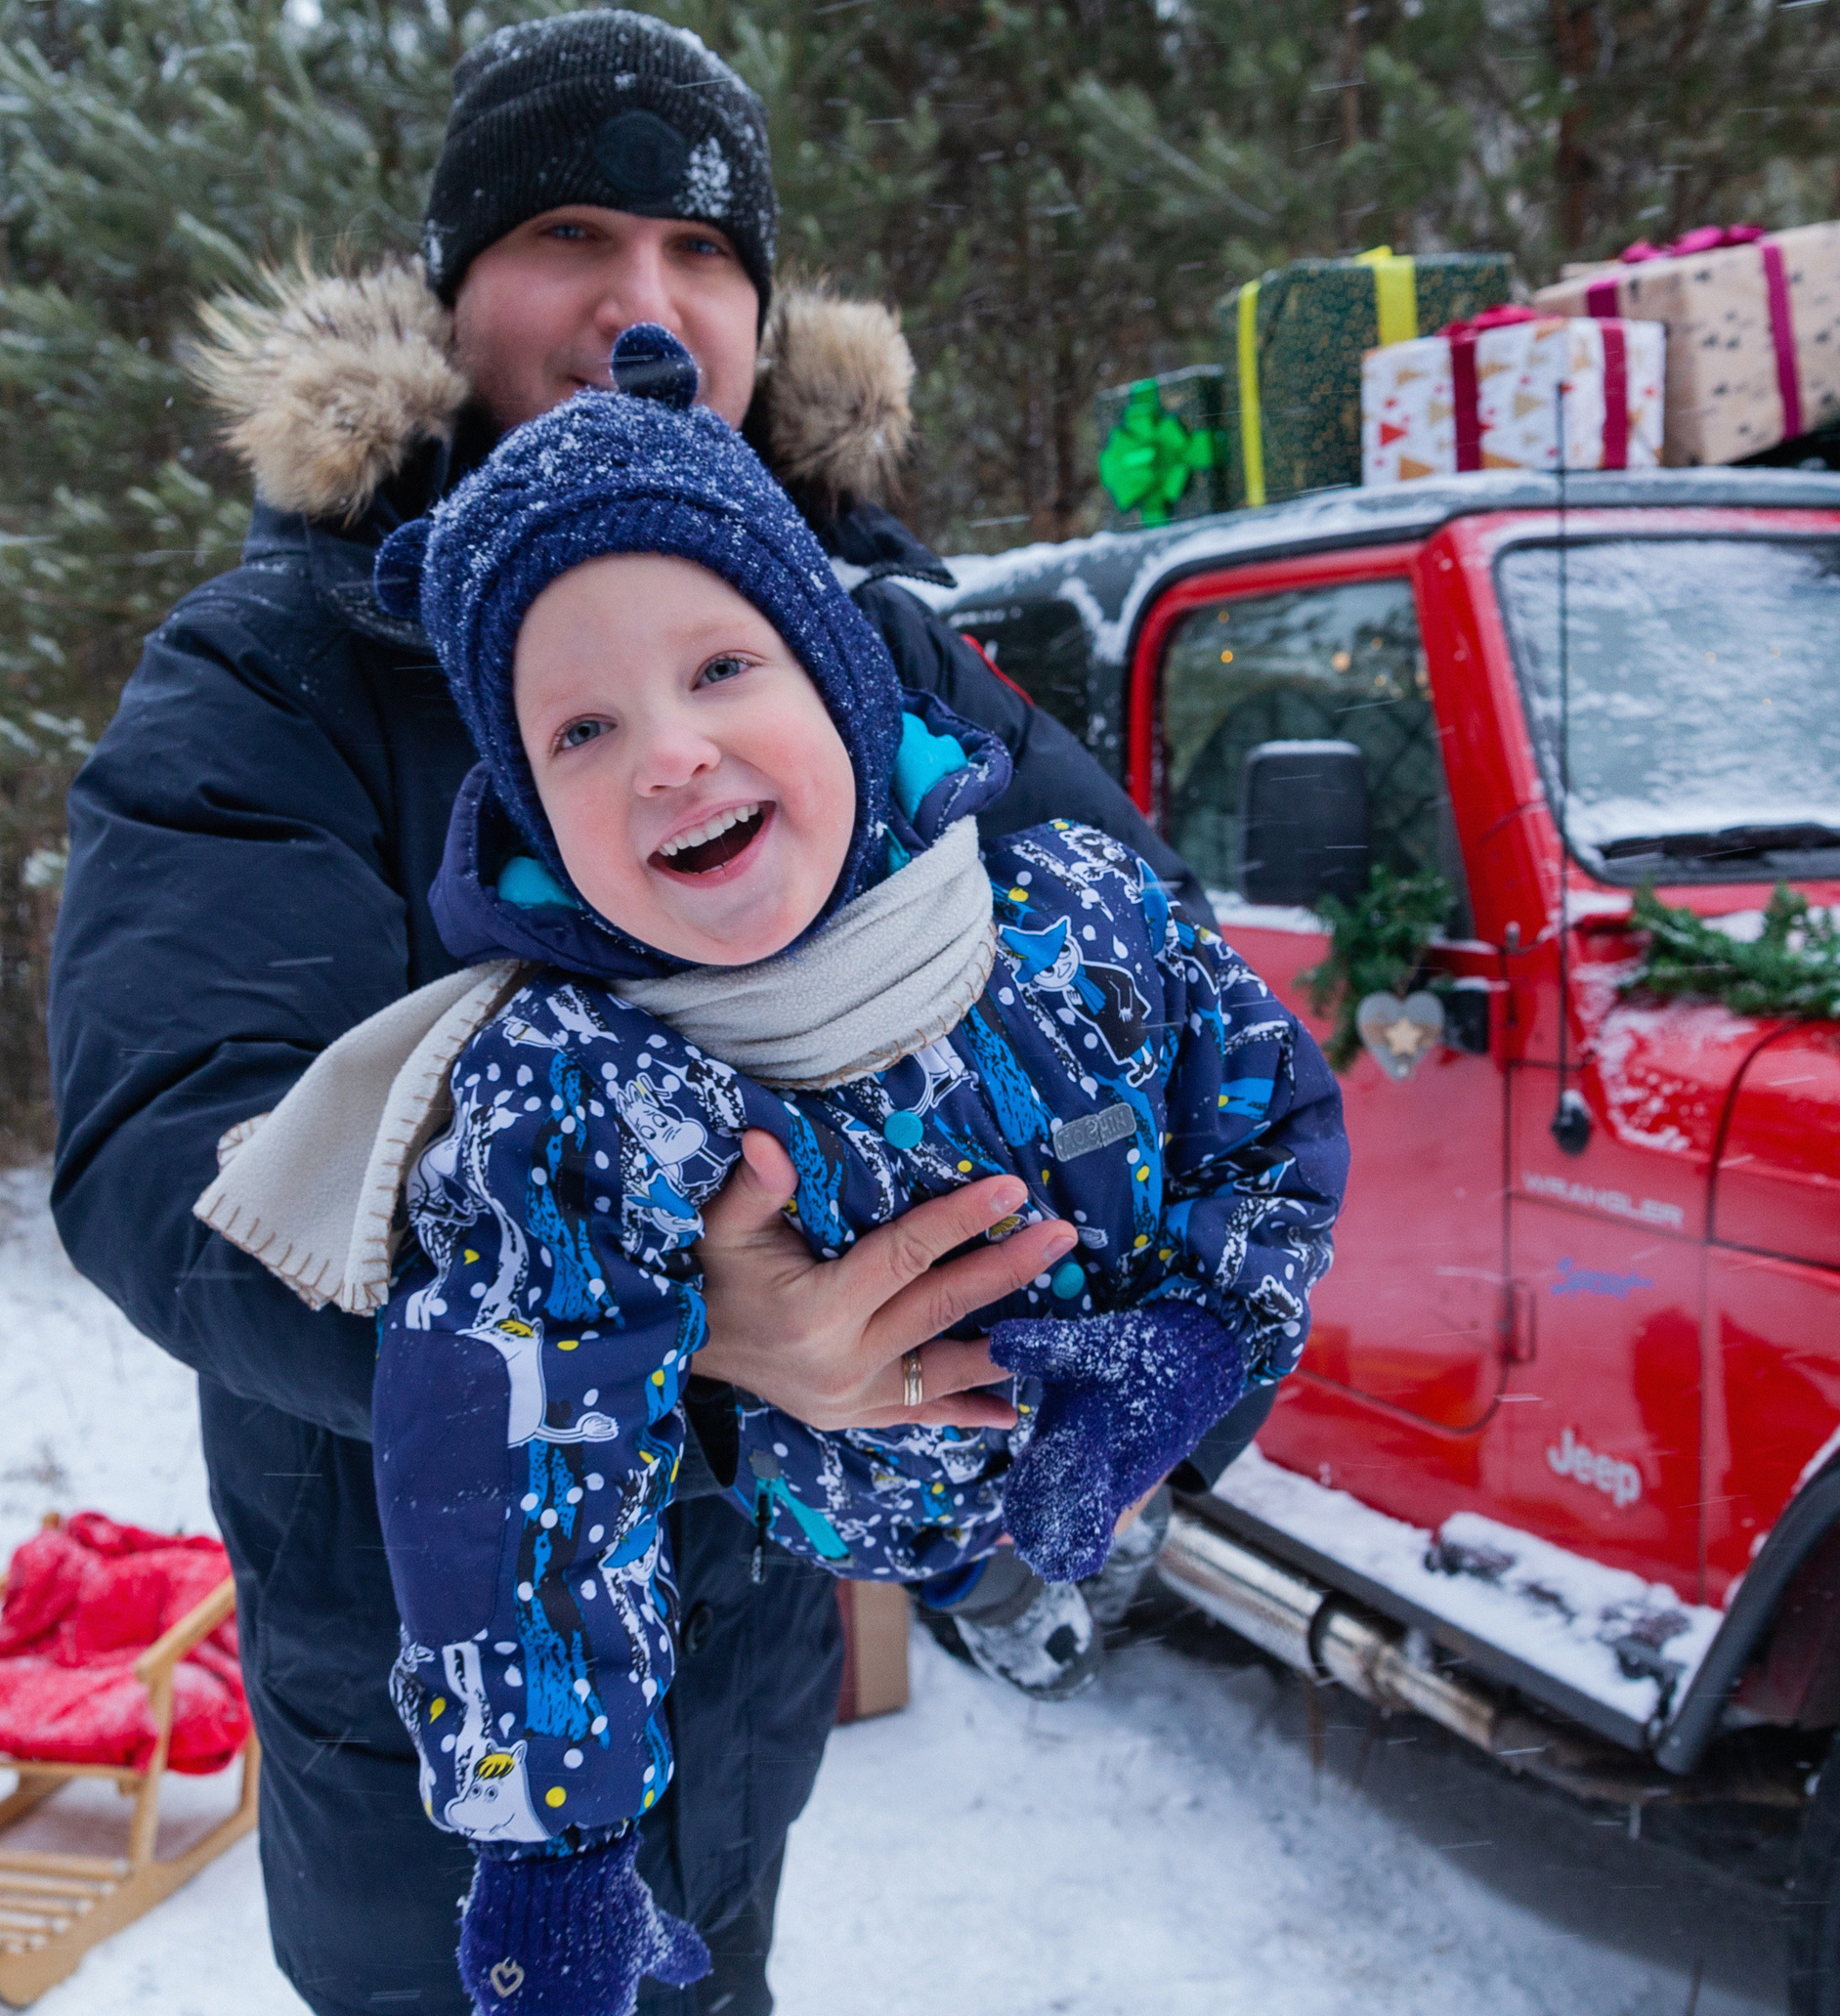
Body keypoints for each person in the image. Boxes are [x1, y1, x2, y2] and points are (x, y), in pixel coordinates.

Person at [45, 14, 1271, 2013]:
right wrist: (686, 1340)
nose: (647, 301)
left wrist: (1115, 1361)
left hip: (746, 1630)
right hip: (430, 1665)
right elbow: (177, 1152)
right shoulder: (281, 670)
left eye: (707, 254)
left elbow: (1147, 969)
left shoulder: (873, 641)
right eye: (570, 234)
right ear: (450, 298)